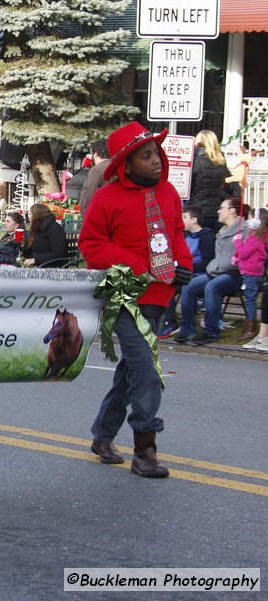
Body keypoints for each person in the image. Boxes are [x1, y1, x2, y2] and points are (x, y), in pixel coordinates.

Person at [79, 121, 192, 478]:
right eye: (146, 155)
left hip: (160, 293)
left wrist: (184, 265)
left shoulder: (169, 194)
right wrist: (136, 265)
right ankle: (145, 449)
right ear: (127, 164)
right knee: (147, 370)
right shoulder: (107, 197)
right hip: (124, 296)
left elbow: (175, 234)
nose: (156, 159)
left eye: (156, 152)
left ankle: (102, 435)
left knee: (132, 369)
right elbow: (91, 244)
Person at [175, 197, 243, 345]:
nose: (218, 210)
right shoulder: (222, 230)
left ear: (232, 211)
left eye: (222, 208)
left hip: (234, 274)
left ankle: (211, 331)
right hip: (216, 271)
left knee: (211, 287)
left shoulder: (244, 229)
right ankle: (187, 330)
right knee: (189, 285)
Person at [158, 205, 216, 338]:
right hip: (183, 271)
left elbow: (207, 263)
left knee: (183, 285)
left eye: (184, 217)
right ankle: (170, 322)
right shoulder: (184, 235)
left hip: (198, 275)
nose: (181, 220)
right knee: (164, 283)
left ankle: (187, 326)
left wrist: (185, 267)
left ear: (194, 220)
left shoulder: (206, 237)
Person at [233, 207, 268, 343]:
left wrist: (237, 242)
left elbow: (244, 253)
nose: (247, 221)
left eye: (249, 218)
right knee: (249, 298)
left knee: (250, 300)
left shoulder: (255, 238)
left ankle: (250, 328)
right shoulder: (256, 236)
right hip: (249, 272)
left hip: (251, 273)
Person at [186, 130, 231, 231]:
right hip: (215, 209)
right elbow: (225, 183)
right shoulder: (221, 160)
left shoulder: (195, 159)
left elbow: (189, 185)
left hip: (197, 210)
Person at [21, 202, 67, 267]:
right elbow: (28, 253)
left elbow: (58, 253)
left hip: (52, 267)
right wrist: (23, 244)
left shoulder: (54, 228)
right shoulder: (37, 229)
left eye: (29, 214)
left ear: (36, 216)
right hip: (38, 265)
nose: (27, 217)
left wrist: (35, 260)